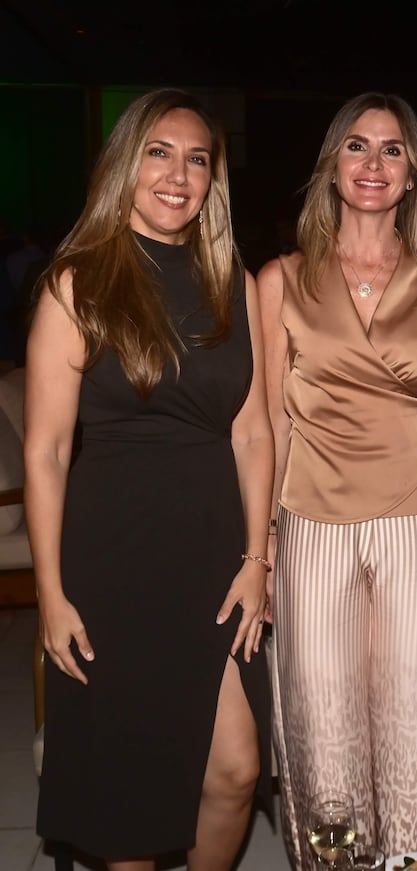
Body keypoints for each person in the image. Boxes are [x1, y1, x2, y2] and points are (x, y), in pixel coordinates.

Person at [24, 88, 275, 870]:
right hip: (112, 559)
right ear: (124, 165)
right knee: (126, 805)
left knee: (236, 769)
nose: (179, 173)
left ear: (213, 178)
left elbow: (254, 428)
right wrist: (51, 592)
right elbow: (47, 449)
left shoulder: (230, 276)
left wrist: (257, 558)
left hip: (211, 553)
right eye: (159, 153)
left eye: (197, 158)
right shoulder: (79, 282)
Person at [256, 91, 417, 869]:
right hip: (310, 519)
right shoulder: (278, 279)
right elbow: (268, 424)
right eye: (356, 146)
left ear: (412, 173)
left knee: (412, 729)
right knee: (323, 727)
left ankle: (412, 861)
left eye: (391, 149)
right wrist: (262, 549)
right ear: (330, 168)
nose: (373, 164)